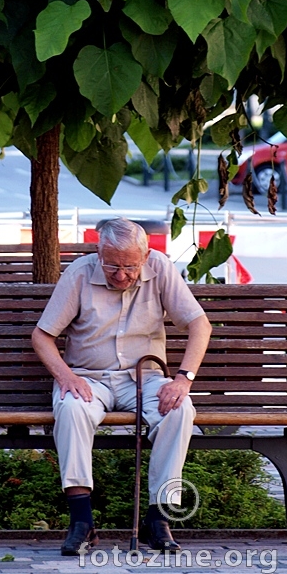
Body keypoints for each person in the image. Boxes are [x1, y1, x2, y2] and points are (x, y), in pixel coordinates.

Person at [31, 218, 212, 556]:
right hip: (89, 378)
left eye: (130, 266)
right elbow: (42, 336)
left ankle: (158, 520)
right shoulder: (80, 274)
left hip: (143, 378)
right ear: (99, 252)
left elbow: (199, 324)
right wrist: (66, 376)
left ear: (145, 256)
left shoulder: (160, 268)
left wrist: (183, 378)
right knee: (71, 408)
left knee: (179, 409)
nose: (121, 274)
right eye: (112, 264)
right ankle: (82, 523)